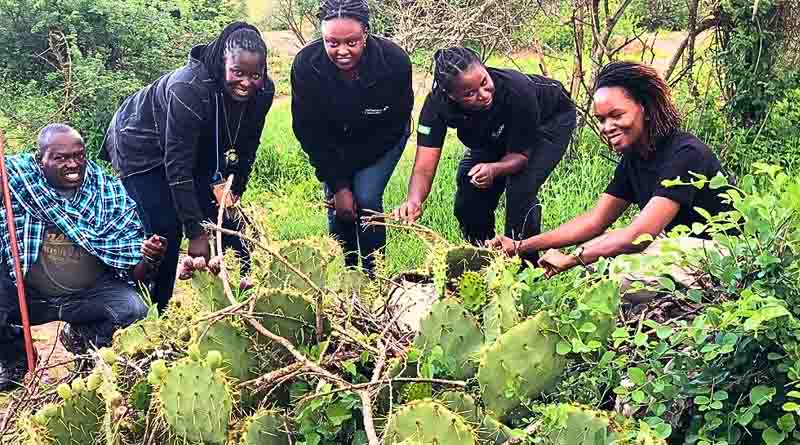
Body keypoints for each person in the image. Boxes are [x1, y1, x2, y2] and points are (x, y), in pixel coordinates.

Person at [489, 62, 732, 296]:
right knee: (597, 269)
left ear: (644, 108)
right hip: (677, 244)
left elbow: (639, 235)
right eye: (602, 119)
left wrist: (573, 258)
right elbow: (595, 221)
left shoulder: (686, 153)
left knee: (617, 278)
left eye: (616, 115)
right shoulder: (635, 158)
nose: (607, 127)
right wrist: (521, 246)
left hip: (721, 251)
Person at [102, 22, 274, 310]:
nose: (246, 82)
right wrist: (195, 232)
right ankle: (152, 313)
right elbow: (177, 164)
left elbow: (247, 148)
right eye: (238, 73)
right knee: (165, 230)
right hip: (140, 145)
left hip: (192, 145)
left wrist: (233, 194)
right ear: (223, 63)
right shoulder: (189, 87)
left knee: (230, 225)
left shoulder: (263, 91)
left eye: (255, 75)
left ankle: (239, 306)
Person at [0, 124, 166, 390]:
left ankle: (86, 342)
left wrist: (148, 258)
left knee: (134, 310)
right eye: (60, 158)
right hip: (30, 297)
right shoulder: (17, 181)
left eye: (79, 155)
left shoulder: (107, 192)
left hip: (88, 295)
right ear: (40, 160)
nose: (72, 164)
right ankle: (16, 356)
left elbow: (135, 271)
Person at [393, 47, 576, 263]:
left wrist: (495, 168)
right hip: (496, 131)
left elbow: (519, 157)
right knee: (468, 187)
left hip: (550, 119)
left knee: (520, 190)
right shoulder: (437, 106)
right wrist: (414, 201)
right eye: (470, 94)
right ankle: (482, 260)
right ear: (450, 95)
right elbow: (424, 166)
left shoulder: (517, 89)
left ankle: (526, 267)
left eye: (484, 82)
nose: (483, 95)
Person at [291, 0, 414, 275]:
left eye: (352, 42)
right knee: (339, 207)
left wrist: (350, 181)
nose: (342, 51)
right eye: (332, 43)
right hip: (332, 142)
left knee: (366, 198)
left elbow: (394, 124)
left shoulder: (394, 61)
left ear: (366, 34)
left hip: (382, 138)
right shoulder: (306, 65)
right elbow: (308, 131)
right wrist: (338, 185)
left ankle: (375, 278)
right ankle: (347, 278)